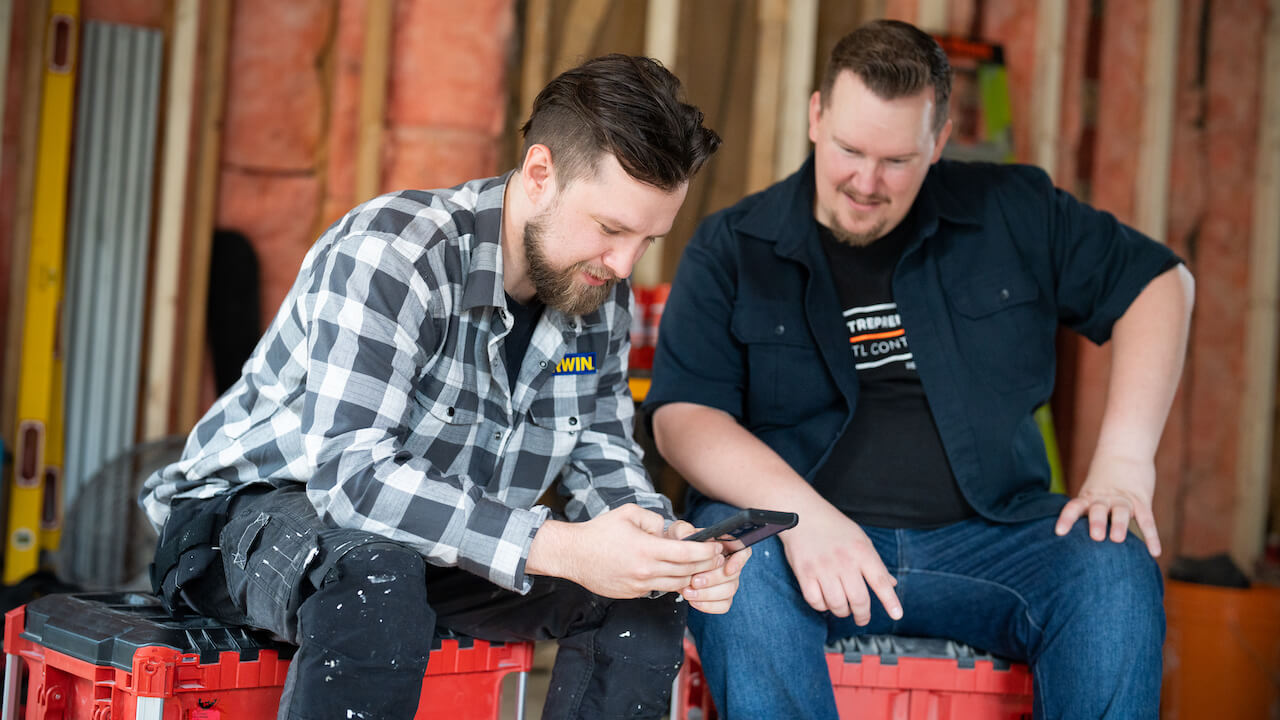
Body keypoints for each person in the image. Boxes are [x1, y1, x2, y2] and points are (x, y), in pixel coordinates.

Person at [141, 53, 746, 720]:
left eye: (647, 239)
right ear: (540, 173)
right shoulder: (396, 254)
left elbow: (601, 453)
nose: (625, 262)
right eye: (610, 229)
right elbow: (352, 481)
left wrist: (664, 550)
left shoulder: (597, 294)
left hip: (423, 543)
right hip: (242, 520)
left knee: (641, 598)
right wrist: (565, 546)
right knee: (374, 576)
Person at [646, 19, 1193, 720]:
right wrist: (806, 518)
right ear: (817, 116)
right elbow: (682, 417)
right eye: (849, 149)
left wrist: (1124, 462)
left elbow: (1160, 284)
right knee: (731, 558)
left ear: (939, 140)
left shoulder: (1013, 210)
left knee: (1112, 560)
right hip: (796, 541)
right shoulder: (732, 245)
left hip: (995, 544)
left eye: (897, 160)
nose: (865, 183)